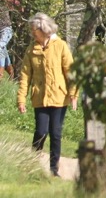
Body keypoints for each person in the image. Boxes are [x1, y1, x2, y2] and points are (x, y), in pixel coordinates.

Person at [16, 13, 75, 177]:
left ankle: (54, 170)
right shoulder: (31, 49)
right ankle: (30, 164)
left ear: (44, 30)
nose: (33, 34)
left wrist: (73, 94)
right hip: (39, 98)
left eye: (35, 31)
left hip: (59, 98)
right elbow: (25, 76)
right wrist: (21, 99)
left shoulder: (61, 45)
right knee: (41, 132)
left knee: (56, 134)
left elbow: (71, 71)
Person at [0, 0, 11, 82]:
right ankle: (12, 75)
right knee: (3, 51)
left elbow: (15, 2)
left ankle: (0, 74)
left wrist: (20, 8)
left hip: (6, 30)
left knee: (0, 47)